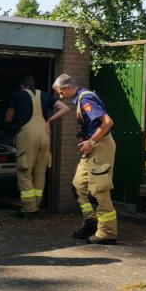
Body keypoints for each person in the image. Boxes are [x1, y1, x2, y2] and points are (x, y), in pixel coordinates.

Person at [53, 73, 117, 244]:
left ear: (68, 88)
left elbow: (108, 122)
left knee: (99, 190)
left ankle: (108, 233)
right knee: (78, 186)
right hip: (91, 148)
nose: (61, 97)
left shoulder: (86, 99)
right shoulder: (82, 98)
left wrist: (91, 141)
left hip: (99, 147)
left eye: (61, 92)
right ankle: (90, 222)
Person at [5, 76, 69, 218]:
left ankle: (29, 209)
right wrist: (50, 120)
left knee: (25, 171)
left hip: (28, 135)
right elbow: (65, 108)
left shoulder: (18, 94)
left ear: (22, 86)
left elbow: (8, 118)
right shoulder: (45, 95)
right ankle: (37, 206)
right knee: (40, 172)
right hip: (45, 134)